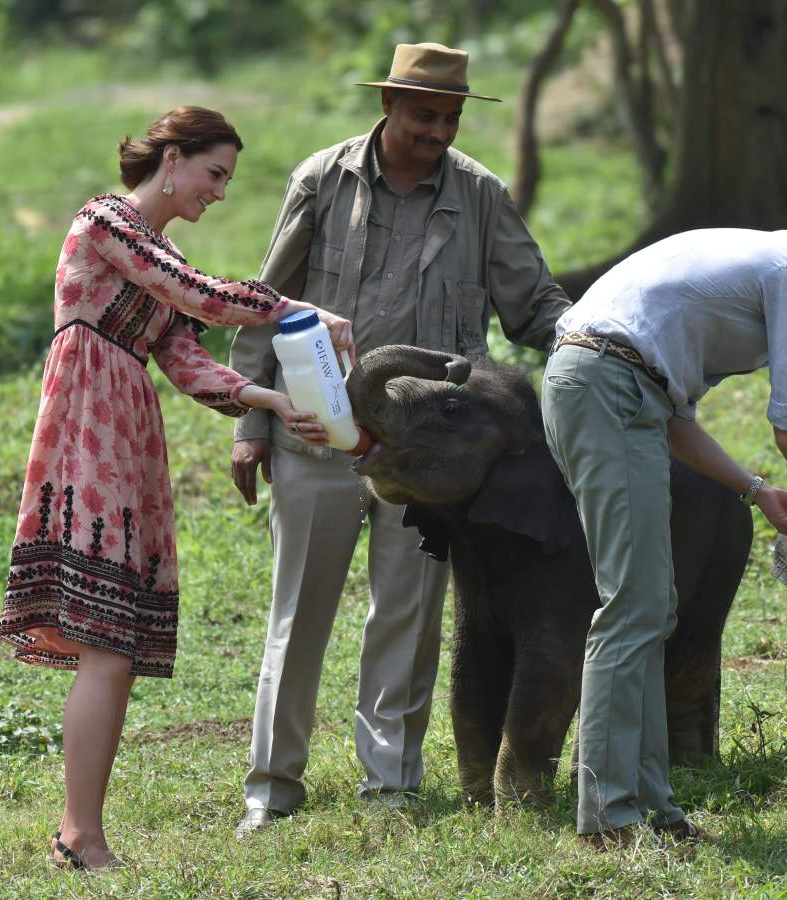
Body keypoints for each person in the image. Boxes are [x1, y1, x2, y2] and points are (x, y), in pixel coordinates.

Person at [0, 107, 354, 870]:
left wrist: (268, 401)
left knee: (115, 646)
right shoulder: (106, 222)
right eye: (214, 173)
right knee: (103, 642)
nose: (219, 191)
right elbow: (195, 293)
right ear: (172, 159)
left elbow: (184, 354)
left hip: (126, 425)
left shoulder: (157, 250)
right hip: (89, 416)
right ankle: (79, 835)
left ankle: (80, 832)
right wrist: (296, 309)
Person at [228, 42, 571, 836]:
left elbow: (534, 305)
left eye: (450, 117)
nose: (439, 130)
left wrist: (604, 344)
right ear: (387, 107)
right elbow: (265, 300)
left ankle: (391, 786)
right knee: (297, 618)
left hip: (432, 460)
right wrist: (252, 423)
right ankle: (270, 790)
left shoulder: (480, 193)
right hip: (316, 432)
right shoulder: (322, 178)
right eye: (424, 114)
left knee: (409, 621)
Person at [540, 211, 787, 849]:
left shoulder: (764, 267)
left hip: (618, 391)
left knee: (651, 608)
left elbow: (675, 417)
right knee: (631, 607)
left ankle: (654, 809)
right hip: (606, 388)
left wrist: (756, 491)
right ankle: (605, 818)